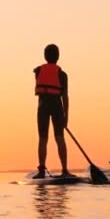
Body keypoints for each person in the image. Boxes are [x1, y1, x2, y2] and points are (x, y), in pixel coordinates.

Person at [33, 44, 74, 179]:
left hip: (43, 106)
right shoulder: (62, 75)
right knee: (60, 138)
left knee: (43, 138)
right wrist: (66, 115)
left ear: (45, 56)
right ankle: (64, 170)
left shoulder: (38, 70)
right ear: (58, 57)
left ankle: (41, 170)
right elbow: (65, 96)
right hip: (56, 106)